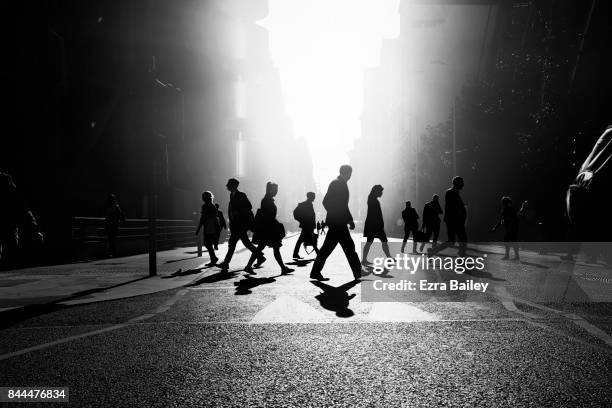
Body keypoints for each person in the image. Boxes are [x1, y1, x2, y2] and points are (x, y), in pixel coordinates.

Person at [310, 165, 362, 281]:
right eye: (350, 173)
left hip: (338, 222)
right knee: (347, 248)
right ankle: (358, 273)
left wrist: (349, 219)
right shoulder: (337, 183)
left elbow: (343, 205)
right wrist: (337, 215)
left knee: (329, 249)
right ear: (347, 173)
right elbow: (326, 201)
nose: (351, 176)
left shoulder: (339, 183)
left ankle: (315, 272)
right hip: (338, 223)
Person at [245, 182, 294, 275]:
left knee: (264, 248)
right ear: (270, 189)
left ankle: (249, 266)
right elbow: (268, 216)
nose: (276, 191)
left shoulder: (268, 200)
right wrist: (276, 224)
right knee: (273, 248)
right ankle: (283, 268)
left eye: (277, 189)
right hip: (268, 229)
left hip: (268, 229)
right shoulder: (267, 200)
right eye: (275, 189)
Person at [217, 178, 265, 271]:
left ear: (233, 185)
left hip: (241, 224)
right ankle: (259, 256)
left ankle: (226, 263)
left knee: (233, 244)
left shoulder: (241, 195)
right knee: (244, 243)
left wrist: (238, 212)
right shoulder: (232, 195)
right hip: (236, 224)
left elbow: (249, 206)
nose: (226, 186)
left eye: (228, 184)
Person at [0, 172, 43, 266]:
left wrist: (35, 229)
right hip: (9, 226)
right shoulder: (10, 189)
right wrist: (35, 229)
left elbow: (23, 208)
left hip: (8, 225)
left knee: (10, 251)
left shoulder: (9, 190)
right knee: (10, 251)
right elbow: (23, 209)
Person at [428, 176, 468, 257]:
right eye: (461, 182)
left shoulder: (454, 192)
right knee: (461, 239)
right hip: (454, 220)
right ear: (457, 183)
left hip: (454, 220)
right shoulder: (451, 192)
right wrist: (461, 212)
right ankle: (461, 255)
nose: (463, 184)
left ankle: (433, 251)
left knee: (452, 240)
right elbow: (452, 207)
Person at [362, 185, 392, 265]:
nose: (382, 193)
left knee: (370, 241)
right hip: (375, 225)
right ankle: (389, 258)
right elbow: (375, 214)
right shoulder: (373, 200)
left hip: (373, 225)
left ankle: (364, 259)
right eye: (380, 191)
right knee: (382, 240)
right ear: (376, 191)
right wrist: (379, 225)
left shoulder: (372, 199)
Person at [196, 191, 220, 266]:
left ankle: (213, 259)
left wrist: (198, 228)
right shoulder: (213, 205)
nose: (202, 198)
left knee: (207, 243)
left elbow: (203, 218)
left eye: (203, 197)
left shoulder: (205, 206)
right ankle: (213, 258)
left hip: (209, 226)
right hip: (213, 225)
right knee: (208, 243)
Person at [492, 196, 520, 260]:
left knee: (509, 241)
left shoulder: (506, 210)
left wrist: (495, 228)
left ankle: (510, 256)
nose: (502, 204)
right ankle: (514, 256)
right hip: (513, 228)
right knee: (512, 241)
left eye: (503, 202)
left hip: (511, 229)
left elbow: (500, 221)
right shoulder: (510, 209)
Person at [293, 192, 319, 259]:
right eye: (313, 196)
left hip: (308, 225)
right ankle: (318, 253)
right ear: (310, 197)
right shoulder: (305, 204)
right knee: (310, 239)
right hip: (307, 225)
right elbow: (295, 213)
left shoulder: (309, 204)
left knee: (302, 239)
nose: (314, 198)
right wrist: (302, 220)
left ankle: (295, 253)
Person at [105, 193, 125, 258]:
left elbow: (108, 216)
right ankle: (113, 253)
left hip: (110, 225)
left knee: (110, 239)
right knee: (112, 239)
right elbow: (121, 215)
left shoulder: (109, 207)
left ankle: (112, 253)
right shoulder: (116, 206)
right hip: (114, 225)